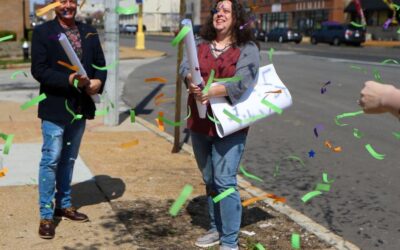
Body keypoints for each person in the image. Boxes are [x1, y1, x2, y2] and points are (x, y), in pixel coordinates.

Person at [179, 1, 259, 249]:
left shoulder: (247, 48)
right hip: (199, 122)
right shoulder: (200, 44)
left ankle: (230, 241)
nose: (219, 14)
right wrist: (191, 81)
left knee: (225, 181)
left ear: (237, 17)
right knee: (210, 179)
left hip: (230, 124)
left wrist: (213, 90)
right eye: (217, 10)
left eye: (226, 10)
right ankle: (216, 228)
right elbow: (185, 68)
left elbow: (244, 79)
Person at [31, 0, 107, 239]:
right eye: (62, 1)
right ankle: (46, 215)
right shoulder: (43, 32)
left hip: (80, 107)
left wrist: (98, 81)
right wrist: (70, 79)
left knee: (69, 159)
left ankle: (63, 205)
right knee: (51, 159)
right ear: (54, 5)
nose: (68, 5)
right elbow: (39, 70)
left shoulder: (89, 31)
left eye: (72, 1)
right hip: (55, 107)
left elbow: (99, 65)